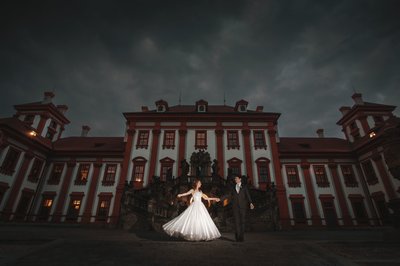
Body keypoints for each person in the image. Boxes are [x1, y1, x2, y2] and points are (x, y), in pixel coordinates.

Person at [231, 175, 254, 242]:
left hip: (243, 207)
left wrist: (251, 203)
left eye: (236, 178)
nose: (235, 179)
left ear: (240, 179)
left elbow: (248, 195)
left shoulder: (244, 187)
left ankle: (242, 236)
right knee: (237, 222)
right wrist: (220, 199)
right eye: (235, 179)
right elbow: (229, 195)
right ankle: (238, 237)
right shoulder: (233, 187)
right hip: (235, 207)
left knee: (242, 222)